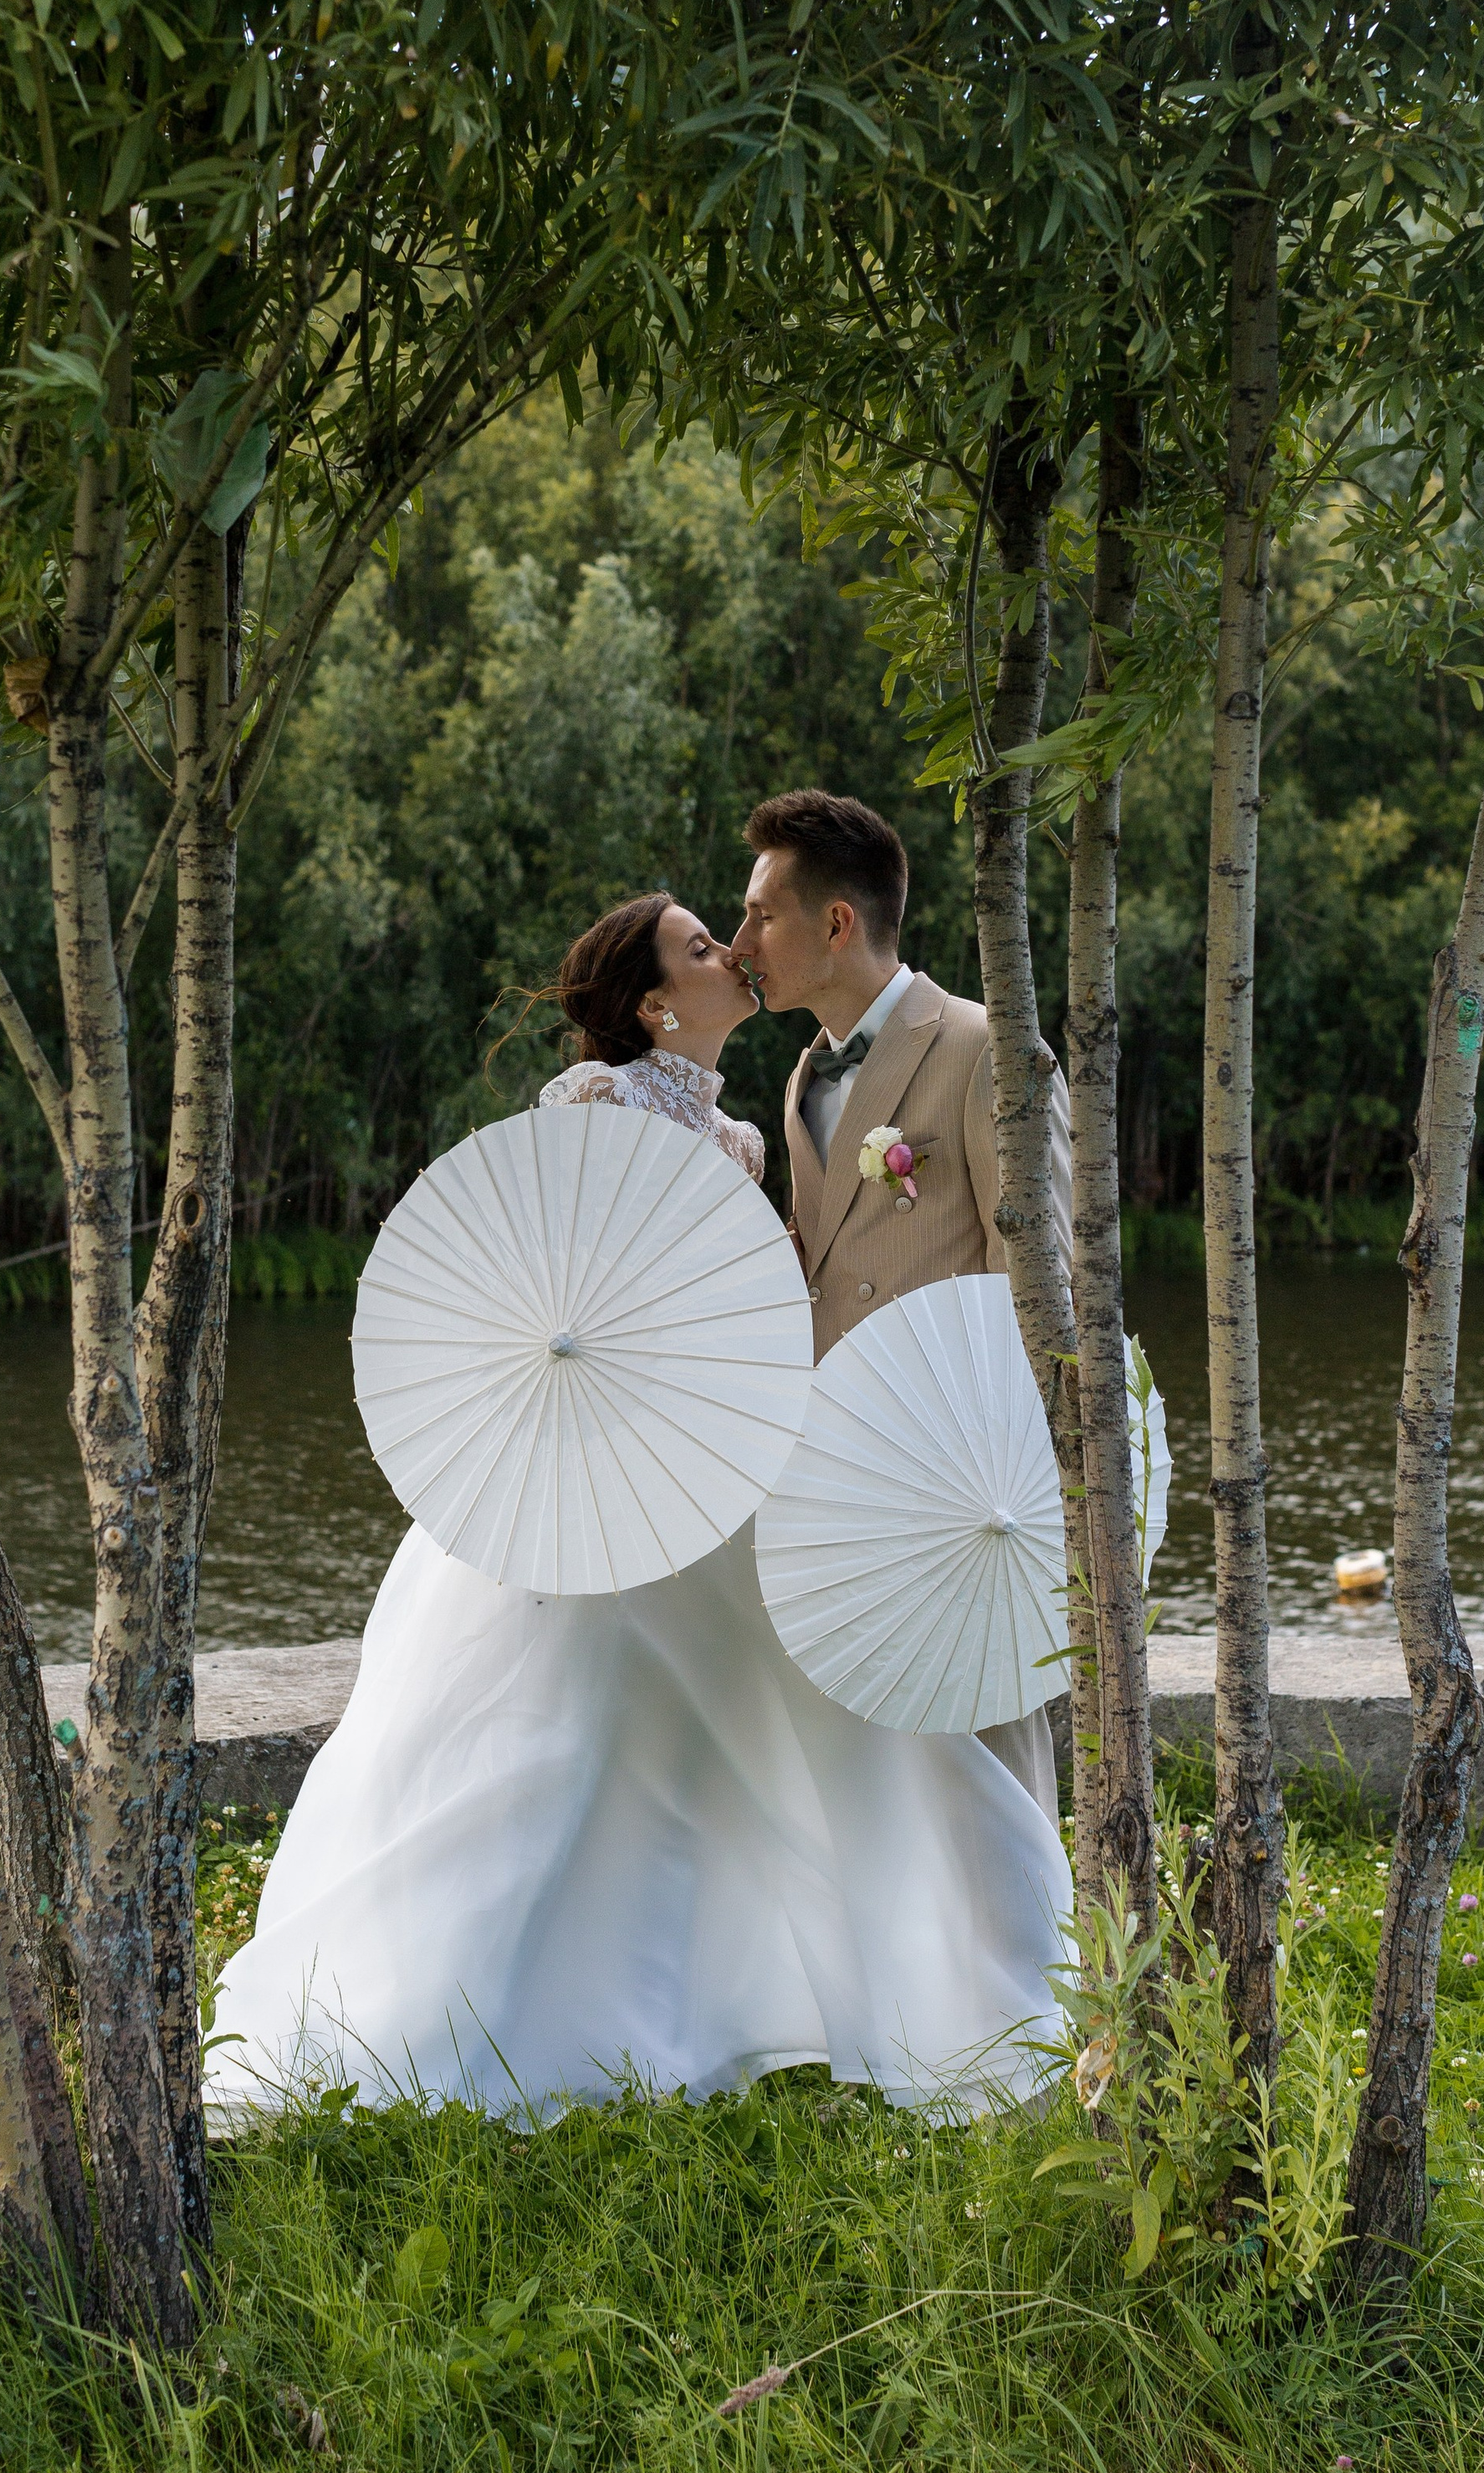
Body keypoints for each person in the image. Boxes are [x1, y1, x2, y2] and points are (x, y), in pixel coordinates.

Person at [202, 888, 1072, 2128]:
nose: (732, 951)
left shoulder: (744, 1138)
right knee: (568, 1739)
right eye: (703, 944)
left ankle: (771, 1990)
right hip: (605, 1478)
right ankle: (493, 2017)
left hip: (722, 1471)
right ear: (659, 1002)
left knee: (777, 1732)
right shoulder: (599, 1111)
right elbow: (574, 1299)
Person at [732, 788, 1072, 1820]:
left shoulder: (982, 1047)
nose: (742, 937)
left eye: (762, 915)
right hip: (847, 1459)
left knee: (992, 1729)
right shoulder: (798, 1080)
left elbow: (1047, 1276)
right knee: (876, 1752)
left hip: (961, 1464)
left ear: (836, 923)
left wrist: (1028, 1455)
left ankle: (1043, 1955)